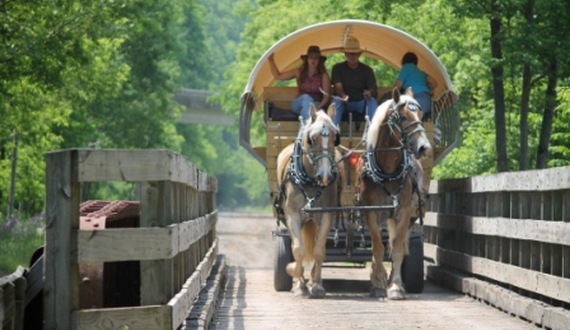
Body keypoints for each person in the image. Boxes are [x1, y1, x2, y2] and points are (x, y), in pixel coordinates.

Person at [267, 45, 331, 121]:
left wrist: (318, 107)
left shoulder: (323, 75)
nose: (313, 60)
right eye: (310, 57)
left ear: (319, 60)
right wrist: (271, 60)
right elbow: (279, 76)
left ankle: (304, 127)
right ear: (307, 59)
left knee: (308, 109)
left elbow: (326, 97)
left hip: (316, 104)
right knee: (306, 98)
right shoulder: (299, 72)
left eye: (316, 58)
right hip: (298, 104)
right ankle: (307, 123)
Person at [331, 36, 378, 126]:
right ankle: (333, 131)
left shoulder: (367, 70)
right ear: (345, 54)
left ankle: (373, 130)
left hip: (361, 102)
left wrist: (369, 93)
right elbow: (338, 87)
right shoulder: (337, 68)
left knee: (372, 101)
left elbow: (374, 90)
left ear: (359, 54)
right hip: (344, 103)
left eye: (355, 53)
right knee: (336, 102)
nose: (352, 56)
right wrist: (343, 96)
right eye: (349, 53)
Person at [394, 52, 438, 120]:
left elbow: (397, 87)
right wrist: (424, 86)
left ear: (404, 61)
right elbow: (434, 83)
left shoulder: (407, 67)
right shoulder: (421, 72)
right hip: (426, 101)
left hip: (414, 100)